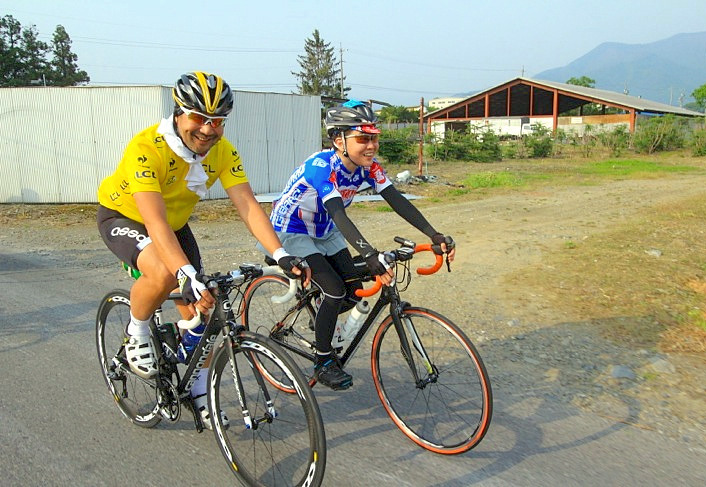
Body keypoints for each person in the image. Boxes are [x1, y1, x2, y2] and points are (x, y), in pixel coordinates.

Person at [97, 71, 307, 428]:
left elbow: (248, 205)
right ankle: (137, 330)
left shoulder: (222, 151)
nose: (208, 129)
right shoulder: (146, 148)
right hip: (127, 217)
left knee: (207, 314)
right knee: (165, 274)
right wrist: (185, 272)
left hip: (175, 225)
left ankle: (197, 390)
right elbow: (155, 222)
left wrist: (280, 253)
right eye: (199, 117)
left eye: (218, 121)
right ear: (179, 113)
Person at [267, 100, 455, 390]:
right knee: (334, 289)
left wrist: (434, 234)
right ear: (338, 139)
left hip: (325, 231)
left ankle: (320, 315)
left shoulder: (368, 167)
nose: (371, 145)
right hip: (291, 231)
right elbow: (338, 212)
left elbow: (397, 200)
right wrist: (369, 254)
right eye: (362, 138)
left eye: (374, 138)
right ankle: (323, 359)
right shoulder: (321, 166)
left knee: (355, 288)